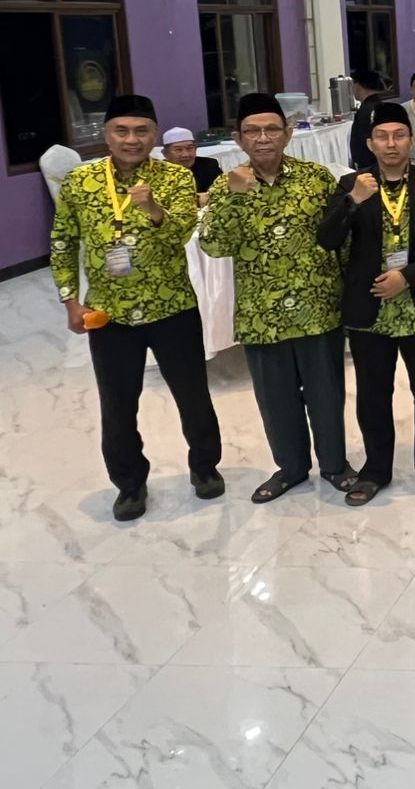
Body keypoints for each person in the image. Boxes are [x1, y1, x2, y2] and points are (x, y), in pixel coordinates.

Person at [51, 95, 223, 521]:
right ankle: (129, 484)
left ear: (155, 134)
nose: (132, 140)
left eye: (141, 131)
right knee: (117, 404)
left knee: (193, 395)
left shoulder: (175, 177)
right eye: (122, 131)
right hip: (110, 314)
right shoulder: (80, 181)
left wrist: (151, 207)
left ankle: (205, 467)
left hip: (172, 306)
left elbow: (182, 233)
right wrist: (70, 299)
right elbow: (63, 241)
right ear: (107, 135)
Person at [201, 93, 355, 504]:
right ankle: (291, 468)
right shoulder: (225, 186)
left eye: (272, 129)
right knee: (275, 400)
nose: (263, 138)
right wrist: (235, 197)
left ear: (288, 134)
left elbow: (340, 240)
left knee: (327, 394)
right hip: (262, 315)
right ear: (238, 138)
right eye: (252, 131)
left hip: (317, 308)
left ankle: (335, 465)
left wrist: (349, 297)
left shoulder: (316, 178)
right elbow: (214, 245)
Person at [317, 101, 415, 506]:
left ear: (411, 140)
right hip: (370, 310)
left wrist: (406, 277)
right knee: (373, 394)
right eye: (382, 137)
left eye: (399, 135)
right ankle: (376, 469)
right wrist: (353, 201)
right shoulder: (351, 184)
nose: (391, 143)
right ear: (370, 143)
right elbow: (327, 239)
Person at [160, 126, 222, 196]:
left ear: (196, 149)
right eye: (178, 149)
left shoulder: (208, 165)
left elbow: (222, 191)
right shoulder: (159, 172)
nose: (185, 154)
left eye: (190, 148)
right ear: (165, 153)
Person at [348, 68, 385, 169]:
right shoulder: (379, 105)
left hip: (369, 166)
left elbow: (362, 144)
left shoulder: (366, 111)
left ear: (357, 84)